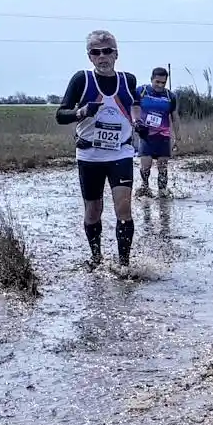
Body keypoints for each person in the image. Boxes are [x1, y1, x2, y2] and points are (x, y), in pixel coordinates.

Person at [54, 29, 139, 269]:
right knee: (93, 211)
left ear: (116, 54)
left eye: (107, 51)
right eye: (96, 52)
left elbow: (134, 104)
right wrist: (81, 112)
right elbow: (60, 115)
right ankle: (96, 258)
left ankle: (124, 266)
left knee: (124, 207)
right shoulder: (81, 79)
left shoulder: (128, 80)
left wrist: (137, 122)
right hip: (89, 154)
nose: (102, 56)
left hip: (120, 152)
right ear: (90, 56)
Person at [133, 66, 178, 198]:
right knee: (145, 165)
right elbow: (133, 108)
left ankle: (162, 192)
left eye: (163, 82)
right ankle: (145, 187)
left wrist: (178, 138)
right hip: (146, 135)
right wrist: (136, 122)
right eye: (157, 82)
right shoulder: (141, 91)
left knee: (163, 166)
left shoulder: (170, 96)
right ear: (151, 79)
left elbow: (175, 118)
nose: (160, 85)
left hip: (163, 136)